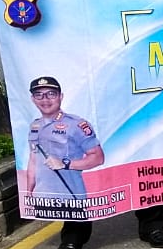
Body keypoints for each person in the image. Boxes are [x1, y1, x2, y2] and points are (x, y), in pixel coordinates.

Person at [0, 0, 163, 249]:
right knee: (67, 158)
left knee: (143, 152)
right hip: (92, 89)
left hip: (135, 88)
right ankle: (73, 237)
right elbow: (29, 6)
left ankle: (152, 225)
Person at [24, 76, 104, 205]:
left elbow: (98, 158)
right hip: (43, 198)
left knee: (75, 226)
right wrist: (28, 192)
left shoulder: (76, 125)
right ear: (33, 99)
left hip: (71, 196)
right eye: (39, 95)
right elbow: (33, 161)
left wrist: (64, 163)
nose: (45, 99)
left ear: (61, 97)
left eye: (51, 94)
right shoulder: (34, 126)